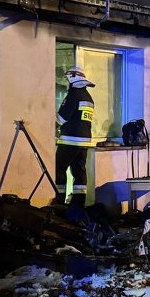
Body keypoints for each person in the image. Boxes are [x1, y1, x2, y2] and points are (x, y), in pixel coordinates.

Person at [55, 66, 95, 210]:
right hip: (84, 142)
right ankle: (78, 203)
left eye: (67, 78)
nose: (67, 82)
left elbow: (62, 117)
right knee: (79, 172)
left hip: (69, 140)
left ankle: (59, 200)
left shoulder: (74, 95)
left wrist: (51, 126)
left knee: (58, 168)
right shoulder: (87, 97)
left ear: (73, 77)